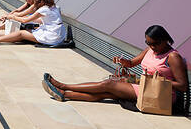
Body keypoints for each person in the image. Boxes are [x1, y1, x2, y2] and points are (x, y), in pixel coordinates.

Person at [42, 25, 188, 104]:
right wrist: (123, 61)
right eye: (148, 43)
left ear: (164, 40)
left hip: (160, 94)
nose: (151, 47)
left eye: (154, 44)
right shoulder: (150, 49)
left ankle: (63, 86)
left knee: (109, 85)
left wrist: (159, 80)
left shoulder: (173, 57)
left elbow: (183, 85)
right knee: (108, 90)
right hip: (144, 85)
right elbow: (132, 63)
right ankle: (65, 94)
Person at [0, 0, 66, 45]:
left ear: (41, 1)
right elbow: (45, 20)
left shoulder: (43, 9)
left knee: (21, 33)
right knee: (27, 32)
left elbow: (25, 20)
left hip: (52, 36)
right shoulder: (55, 7)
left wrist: (13, 16)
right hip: (59, 35)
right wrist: (16, 16)